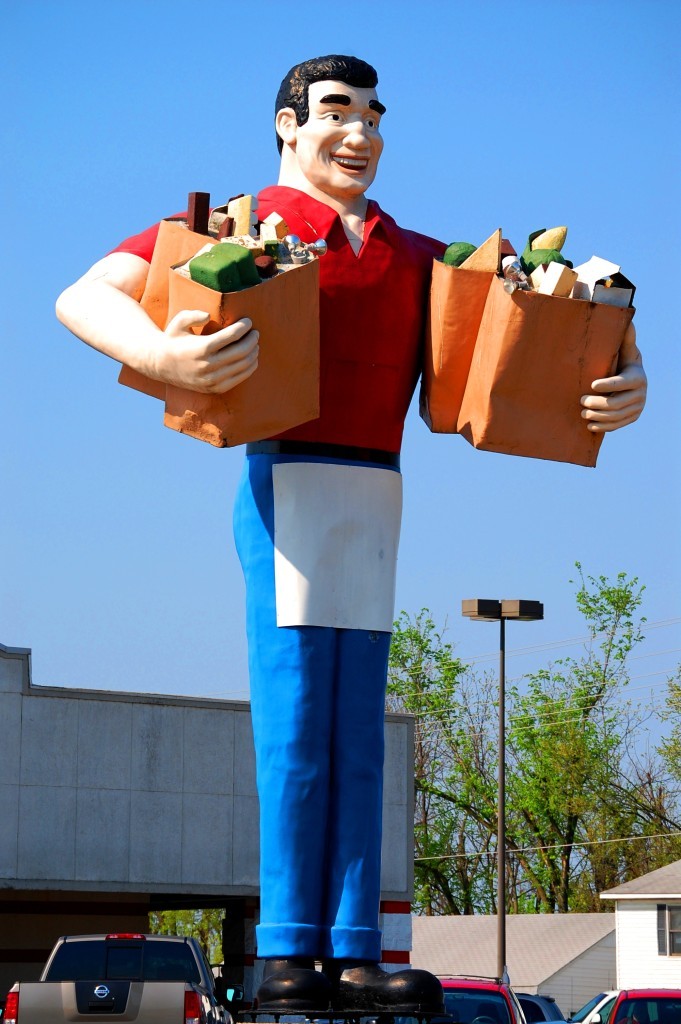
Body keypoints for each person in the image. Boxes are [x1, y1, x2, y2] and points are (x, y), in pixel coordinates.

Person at [55, 54, 647, 1013]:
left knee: (357, 732)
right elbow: (84, 293)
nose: (360, 132)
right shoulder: (238, 231)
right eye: (336, 111)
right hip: (284, 484)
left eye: (375, 115)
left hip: (377, 494)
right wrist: (163, 352)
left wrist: (622, 371)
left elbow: (532, 324)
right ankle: (288, 943)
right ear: (286, 125)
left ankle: (354, 941)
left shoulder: (420, 255)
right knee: (295, 727)